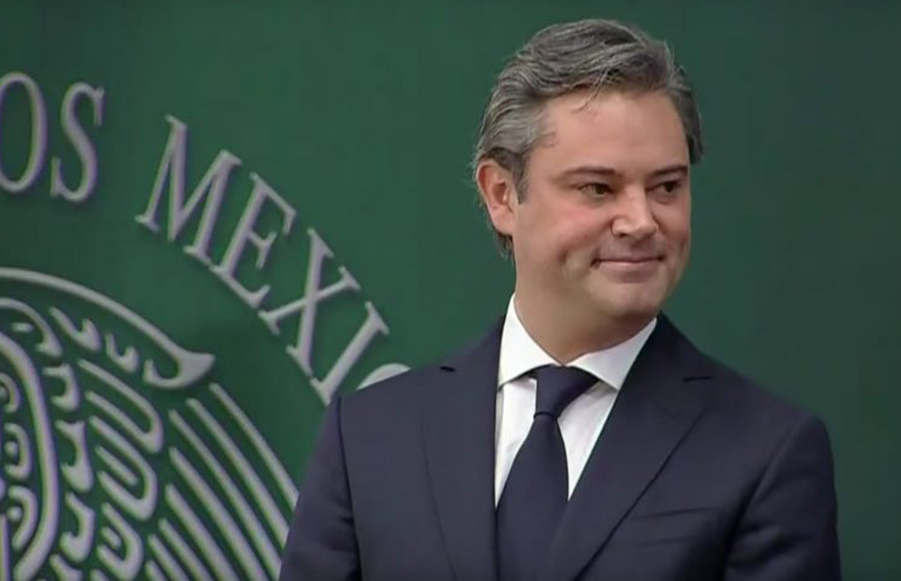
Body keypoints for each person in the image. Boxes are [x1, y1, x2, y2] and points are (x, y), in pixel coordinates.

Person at [280, 18, 841, 581]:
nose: (642, 221)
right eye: (598, 188)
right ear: (502, 195)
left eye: (666, 187)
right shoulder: (369, 439)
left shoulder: (765, 453)